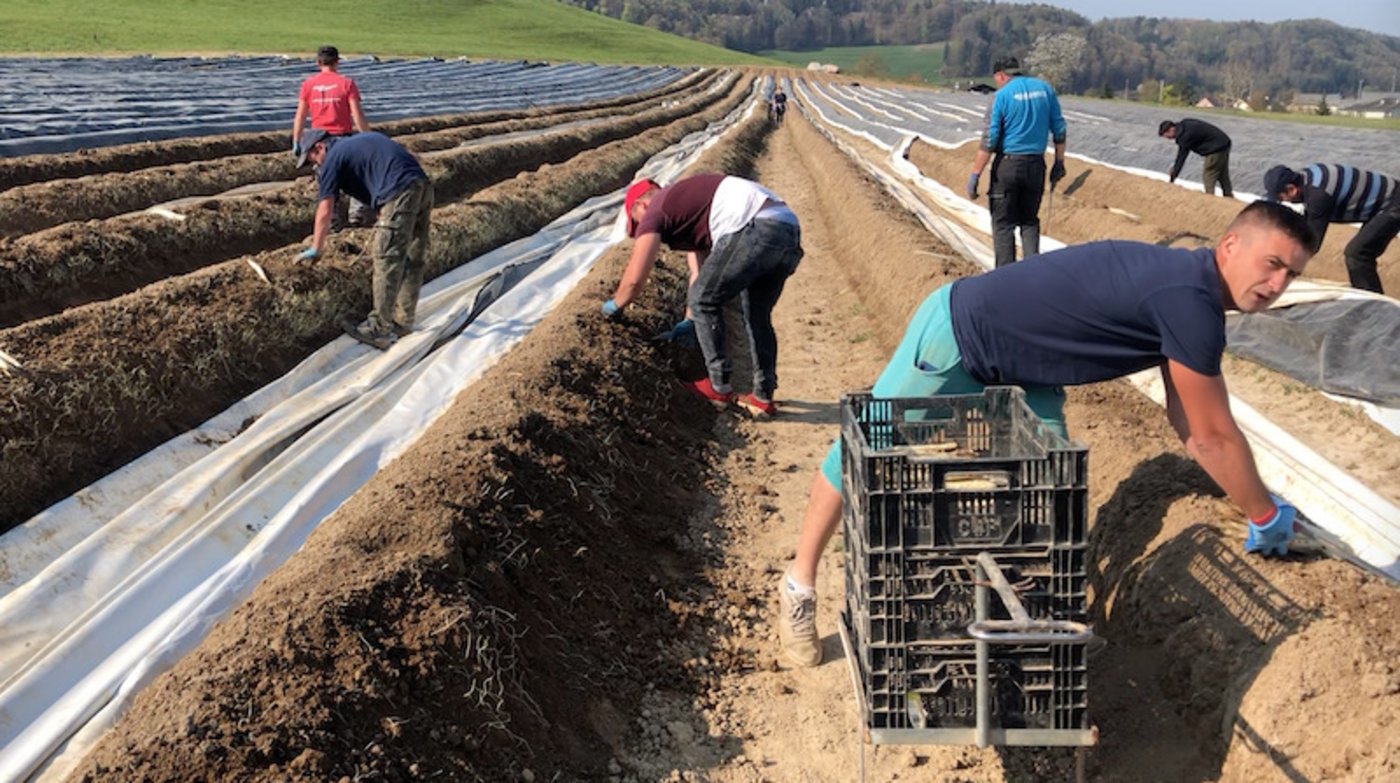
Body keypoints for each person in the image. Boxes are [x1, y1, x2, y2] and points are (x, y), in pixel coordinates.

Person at [775, 201, 1315, 667]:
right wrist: (1265, 514)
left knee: (1052, 487)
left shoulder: (1190, 288)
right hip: (962, 336)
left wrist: (1249, 498)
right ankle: (799, 586)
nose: (1276, 285)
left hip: (1032, 368)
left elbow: (1191, 424)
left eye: (1291, 275)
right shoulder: (1189, 300)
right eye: (1272, 264)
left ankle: (1031, 619)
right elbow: (1212, 437)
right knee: (860, 453)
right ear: (1230, 245)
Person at [602, 174, 804, 418]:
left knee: (705, 300)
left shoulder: (655, 209)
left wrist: (616, 305)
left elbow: (635, 279)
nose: (642, 231)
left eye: (638, 225)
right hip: (787, 229)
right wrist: (690, 319)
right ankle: (763, 397)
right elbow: (701, 273)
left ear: (641, 206)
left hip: (755, 227)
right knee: (757, 315)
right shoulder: (689, 205)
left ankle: (718, 387)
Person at [295, 128, 434, 350]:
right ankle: (404, 321)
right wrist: (385, 204)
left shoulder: (332, 159)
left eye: (312, 158)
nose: (315, 165)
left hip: (399, 190)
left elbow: (325, 208)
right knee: (412, 258)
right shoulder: (359, 141)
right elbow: (402, 159)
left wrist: (316, 247)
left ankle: (378, 328)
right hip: (421, 185)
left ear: (319, 147)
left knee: (386, 258)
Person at [965, 56, 1067, 268]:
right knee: (1029, 221)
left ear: (1001, 75)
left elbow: (990, 139)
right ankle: (1032, 276)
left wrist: (975, 174)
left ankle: (1006, 280)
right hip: (1036, 166)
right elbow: (1059, 128)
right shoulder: (1045, 90)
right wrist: (1059, 162)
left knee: (1003, 225)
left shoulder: (1001, 96)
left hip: (1007, 166)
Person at [1264, 163, 1399, 294]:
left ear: (1292, 189)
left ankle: (1373, 306)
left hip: (1394, 204)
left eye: (1281, 198)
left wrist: (1280, 274)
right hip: (1383, 202)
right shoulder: (1308, 178)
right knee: (1360, 253)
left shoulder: (1319, 196)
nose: (1284, 202)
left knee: (1357, 254)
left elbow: (1311, 244)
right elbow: (1308, 222)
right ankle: (1369, 296)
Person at [292, 45, 373, 227]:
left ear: (318, 62)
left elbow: (300, 116)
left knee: (328, 183)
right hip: (343, 139)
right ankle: (357, 219)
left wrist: (297, 141)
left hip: (319, 142)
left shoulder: (309, 85)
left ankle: (332, 223)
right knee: (356, 178)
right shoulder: (346, 83)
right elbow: (357, 115)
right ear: (337, 62)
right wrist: (368, 137)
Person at [1158, 119, 1233, 198]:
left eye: (1166, 135)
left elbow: (1182, 156)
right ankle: (1228, 195)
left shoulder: (1184, 136)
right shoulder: (1185, 123)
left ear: (1171, 129)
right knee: (1222, 173)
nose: (1168, 138)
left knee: (1209, 173)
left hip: (1216, 148)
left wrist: (1174, 175)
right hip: (1224, 143)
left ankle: (1210, 198)